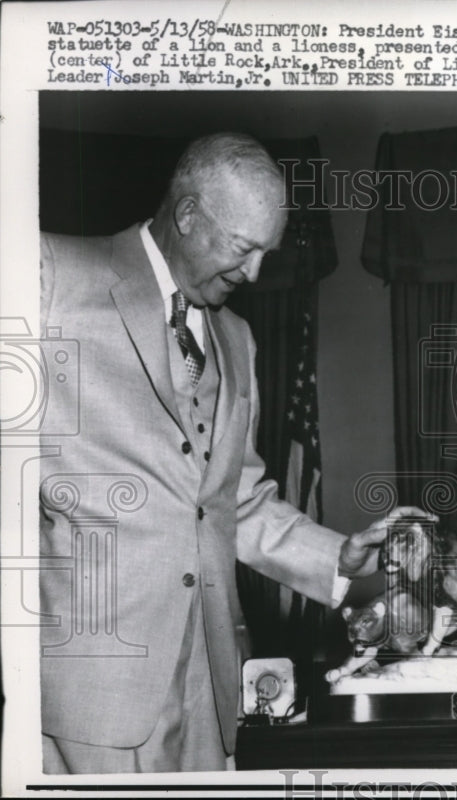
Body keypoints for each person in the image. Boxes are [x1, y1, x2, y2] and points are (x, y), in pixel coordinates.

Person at [38, 132, 432, 774]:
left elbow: (229, 502)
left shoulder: (236, 338)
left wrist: (341, 554)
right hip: (88, 690)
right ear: (187, 216)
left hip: (208, 687)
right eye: (243, 249)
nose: (253, 275)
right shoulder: (55, 276)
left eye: (264, 254)